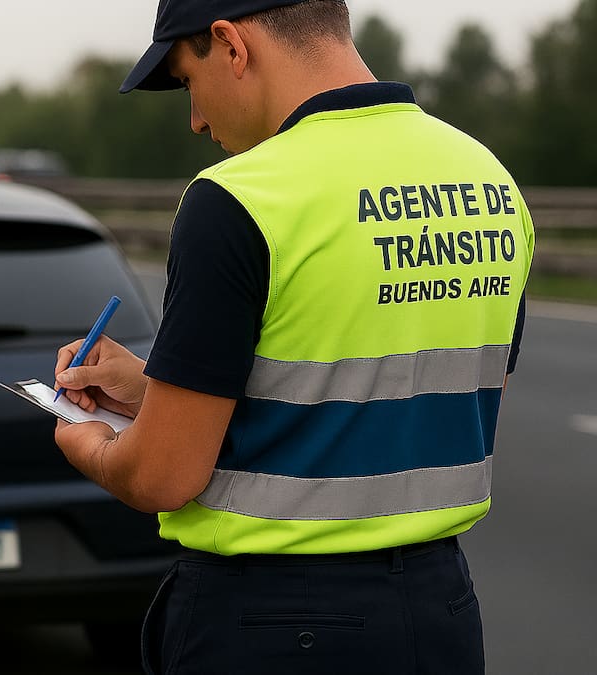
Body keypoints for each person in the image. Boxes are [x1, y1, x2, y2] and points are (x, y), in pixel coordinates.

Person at [51, 1, 535, 673]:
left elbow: (163, 475)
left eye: (189, 82)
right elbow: (430, 404)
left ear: (231, 44)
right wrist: (155, 388)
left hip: (270, 623)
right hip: (440, 614)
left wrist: (95, 444)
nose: (195, 120)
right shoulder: (488, 181)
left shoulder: (238, 198)